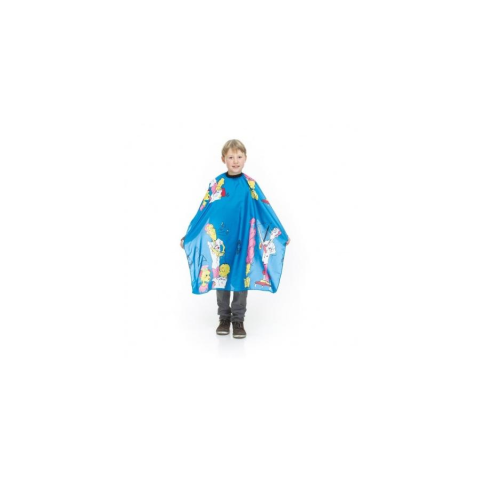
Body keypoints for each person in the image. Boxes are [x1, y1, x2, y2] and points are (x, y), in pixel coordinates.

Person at [180, 139, 290, 339]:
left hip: (243, 239)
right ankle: (224, 318)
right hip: (223, 241)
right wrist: (189, 234)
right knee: (220, 277)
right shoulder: (217, 184)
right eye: (231, 157)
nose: (235, 161)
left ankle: (238, 320)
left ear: (245, 158)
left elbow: (265, 208)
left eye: (239, 157)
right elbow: (203, 210)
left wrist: (280, 232)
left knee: (240, 276)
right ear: (223, 159)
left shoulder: (250, 184)